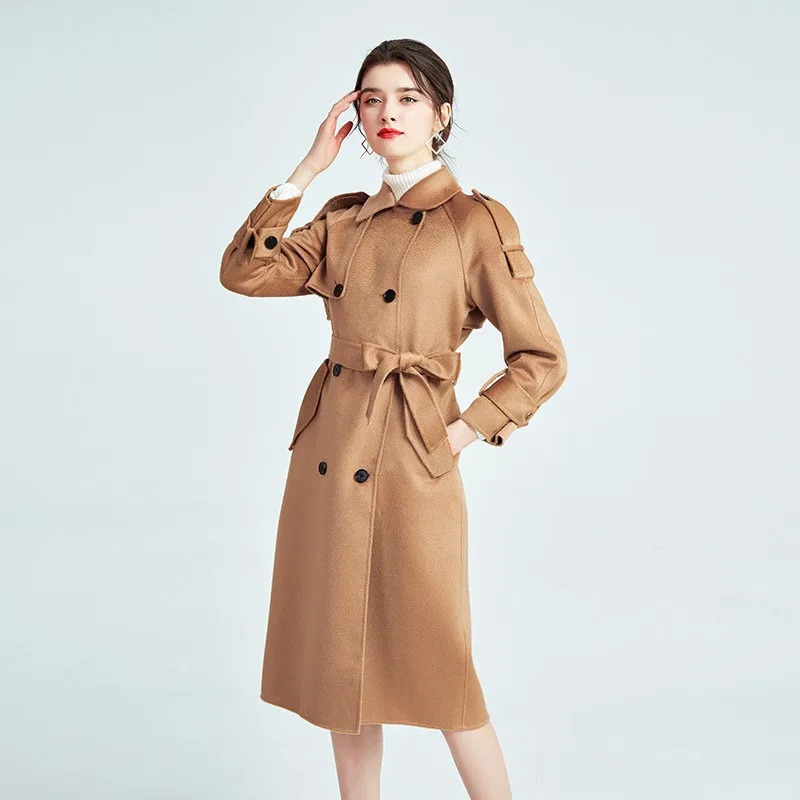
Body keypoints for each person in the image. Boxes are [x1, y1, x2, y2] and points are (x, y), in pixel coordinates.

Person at [219, 38, 568, 800]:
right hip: (331, 452)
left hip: (414, 459)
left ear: (441, 115)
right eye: (372, 98)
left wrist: (460, 434)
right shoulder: (342, 221)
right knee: (340, 673)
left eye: (408, 98)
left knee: (445, 674)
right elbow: (244, 272)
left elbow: (542, 357)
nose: (388, 113)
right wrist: (306, 170)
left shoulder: (474, 222)